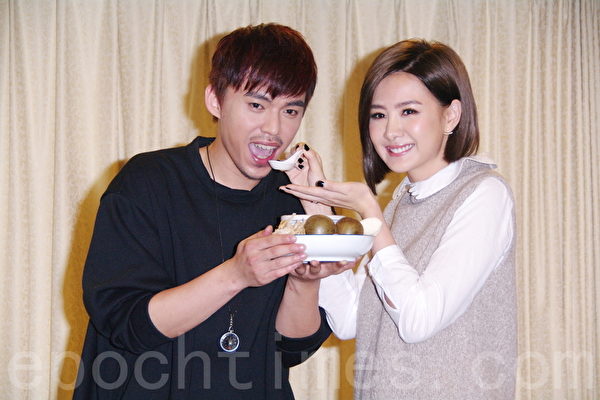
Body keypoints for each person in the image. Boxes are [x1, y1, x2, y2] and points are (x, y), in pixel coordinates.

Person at [73, 23, 348, 399]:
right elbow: (127, 325)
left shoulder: (292, 200)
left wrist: (304, 282)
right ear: (215, 100)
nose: (274, 128)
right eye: (256, 105)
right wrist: (236, 274)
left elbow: (290, 350)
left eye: (290, 110)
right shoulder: (147, 182)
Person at [280, 39, 517, 399]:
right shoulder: (399, 204)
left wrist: (369, 211)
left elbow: (417, 320)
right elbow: (349, 320)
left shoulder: (484, 193)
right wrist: (316, 202)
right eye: (378, 115)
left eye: (408, 111)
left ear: (451, 115)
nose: (390, 131)